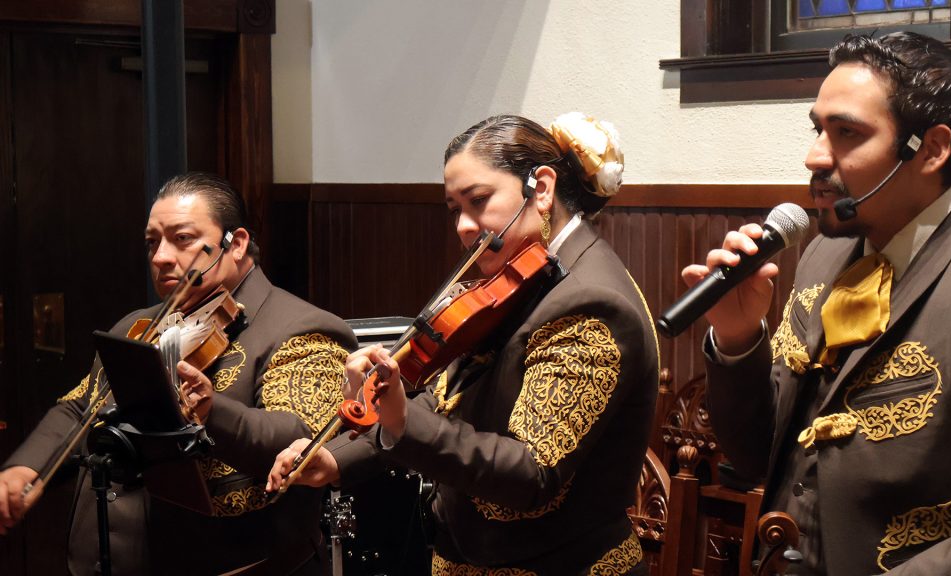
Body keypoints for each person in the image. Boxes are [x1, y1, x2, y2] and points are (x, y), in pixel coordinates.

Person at [682, 31, 951, 575]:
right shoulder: (821, 255)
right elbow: (755, 455)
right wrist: (739, 338)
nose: (815, 156)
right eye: (819, 129)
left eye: (847, 133)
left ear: (930, 149)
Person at [267, 112, 661, 574]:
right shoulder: (526, 272)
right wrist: (332, 458)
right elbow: (444, 400)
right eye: (455, 208)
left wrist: (400, 417)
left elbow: (530, 472)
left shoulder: (590, 301)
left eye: (478, 200)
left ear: (543, 189)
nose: (463, 227)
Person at [0, 172, 357, 575]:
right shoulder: (139, 326)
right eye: (153, 241)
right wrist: (26, 468)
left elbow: (299, 436)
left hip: (236, 564)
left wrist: (212, 411)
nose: (160, 256)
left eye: (182, 238)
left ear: (235, 244)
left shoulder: (302, 327)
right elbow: (83, 404)